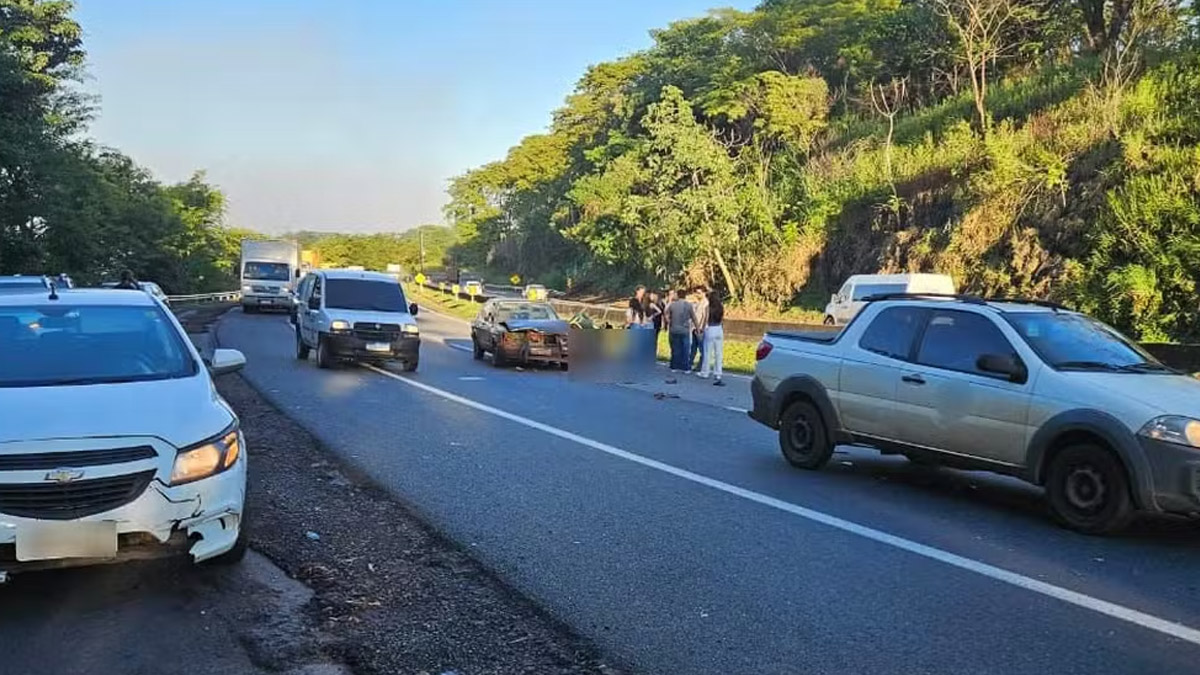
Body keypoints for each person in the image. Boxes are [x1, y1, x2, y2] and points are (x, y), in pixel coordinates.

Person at [664, 288, 697, 372]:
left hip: (674, 328)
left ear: (678, 295)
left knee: (675, 348)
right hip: (685, 329)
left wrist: (669, 322)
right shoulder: (689, 305)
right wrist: (698, 328)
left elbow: (666, 314)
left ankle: (674, 366)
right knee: (686, 348)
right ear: (685, 296)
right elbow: (694, 317)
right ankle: (685, 367)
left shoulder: (673, 305)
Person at [698, 291, 726, 386]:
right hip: (719, 329)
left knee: (707, 352)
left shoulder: (708, 307)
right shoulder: (721, 307)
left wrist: (701, 329)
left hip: (710, 328)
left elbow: (705, 319)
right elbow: (722, 319)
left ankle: (705, 372)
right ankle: (718, 373)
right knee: (719, 353)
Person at [689, 285, 709, 372]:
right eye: (696, 293)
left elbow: (705, 317)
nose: (697, 294)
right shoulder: (698, 302)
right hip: (694, 328)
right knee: (693, 347)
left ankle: (701, 366)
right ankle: (689, 364)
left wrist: (701, 328)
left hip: (700, 329)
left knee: (702, 349)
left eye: (699, 293)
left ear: (704, 293)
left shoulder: (705, 303)